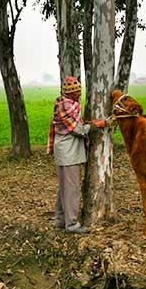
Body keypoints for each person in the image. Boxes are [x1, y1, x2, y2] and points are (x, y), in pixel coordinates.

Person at [47, 76, 107, 234]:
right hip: (68, 153)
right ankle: (71, 224)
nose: (79, 94)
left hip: (64, 151)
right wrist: (95, 125)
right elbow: (78, 130)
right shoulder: (67, 106)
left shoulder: (65, 103)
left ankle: (60, 220)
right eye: (76, 92)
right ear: (70, 93)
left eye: (79, 91)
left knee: (64, 187)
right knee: (72, 188)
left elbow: (76, 124)